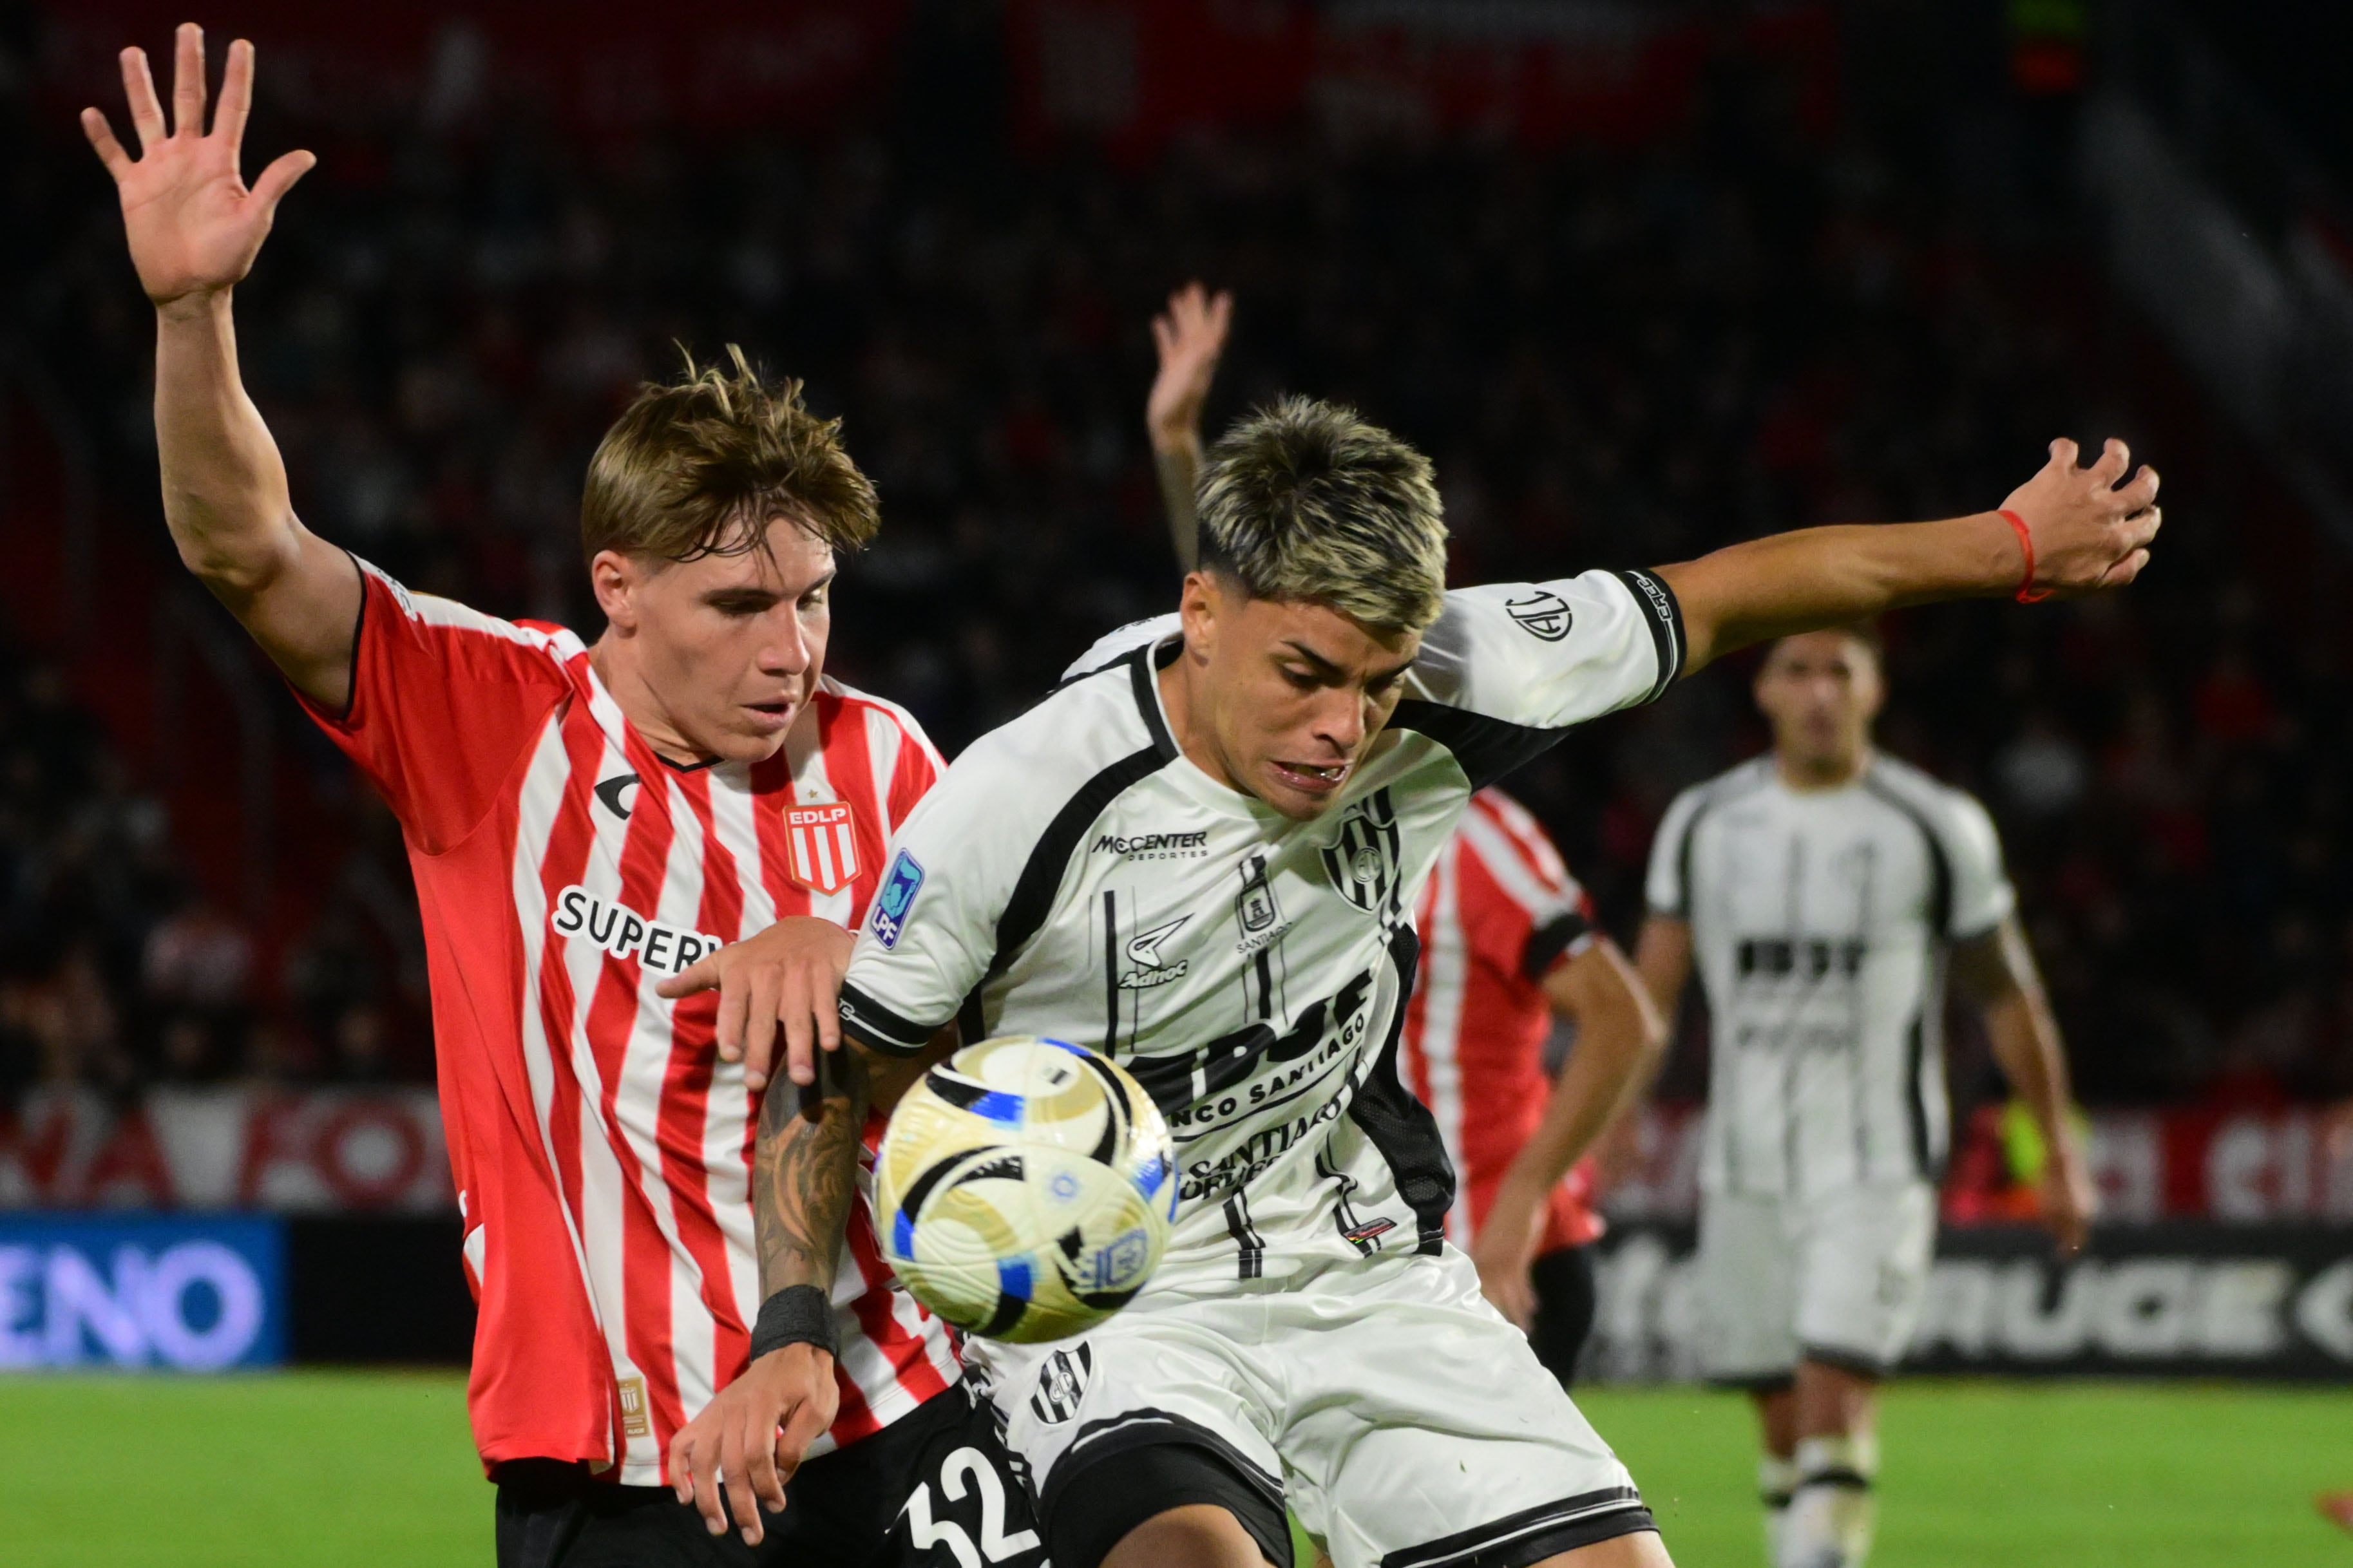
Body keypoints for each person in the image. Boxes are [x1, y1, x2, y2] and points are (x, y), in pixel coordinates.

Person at [680, 354, 2158, 1568]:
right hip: (1119, 1302)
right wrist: (794, 1327)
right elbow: (833, 1079)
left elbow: (1721, 596)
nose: (1345, 727)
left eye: (1379, 683)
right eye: (1307, 676)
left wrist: (2011, 546)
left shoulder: (1462, 671)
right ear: (1203, 617)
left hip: (1364, 1265)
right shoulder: (1017, 804)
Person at [82, 28, 1040, 1566]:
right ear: (620, 589)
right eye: (741, 606)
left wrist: (867, 972)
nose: (792, 650)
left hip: (890, 1422)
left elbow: (1002, 1050)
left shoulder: (887, 759)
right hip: (622, 1472)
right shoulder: (489, 719)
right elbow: (241, 548)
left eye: (814, 598)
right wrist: (195, 313)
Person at [1139, 282, 1659, 1381]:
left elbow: (1620, 1016)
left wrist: (1521, 1206)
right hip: (1355, 1241)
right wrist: (1177, 446)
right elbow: (1242, 623)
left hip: (1490, 1245)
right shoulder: (1281, 807)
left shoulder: (1481, 836)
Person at [1628, 624, 2097, 1568]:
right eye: (1796, 671)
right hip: (1743, 1162)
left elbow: (2006, 994)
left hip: (1877, 1160)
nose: (1819, 693)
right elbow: (1650, 997)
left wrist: (2057, 1150)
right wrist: (1604, 1130)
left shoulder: (1934, 824)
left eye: (1840, 672)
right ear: (1762, 690)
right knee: (1778, 1416)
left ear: (1874, 691)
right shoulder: (1704, 822)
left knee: (1833, 1398)